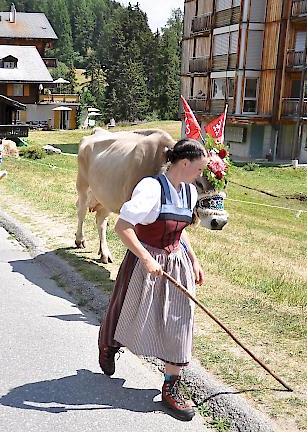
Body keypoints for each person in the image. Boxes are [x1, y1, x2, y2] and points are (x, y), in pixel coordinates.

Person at [97, 138, 208, 421]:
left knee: (180, 319)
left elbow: (180, 232)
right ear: (184, 164)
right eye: (199, 169)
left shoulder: (190, 192)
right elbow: (123, 227)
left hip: (175, 262)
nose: (201, 175)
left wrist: (193, 260)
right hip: (143, 261)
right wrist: (146, 258)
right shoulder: (151, 189)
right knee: (127, 311)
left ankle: (171, 386)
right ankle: (109, 344)